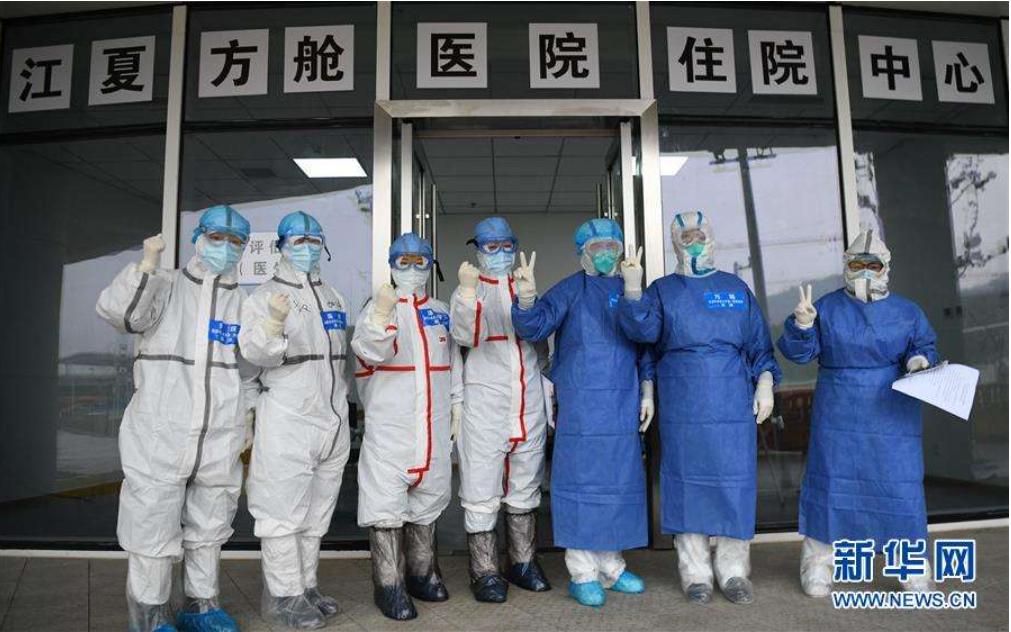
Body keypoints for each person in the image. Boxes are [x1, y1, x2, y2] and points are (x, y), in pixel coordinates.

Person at [96, 205, 255, 632]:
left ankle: (202, 606)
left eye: (235, 241)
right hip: (161, 427)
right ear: (198, 238)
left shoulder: (241, 301)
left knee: (212, 519)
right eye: (217, 237)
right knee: (152, 519)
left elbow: (249, 368)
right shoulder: (165, 285)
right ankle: (150, 614)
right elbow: (120, 314)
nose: (225, 247)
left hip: (218, 431)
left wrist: (246, 415)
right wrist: (145, 267)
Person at [618, 211, 781, 606]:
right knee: (686, 485)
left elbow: (759, 346)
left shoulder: (735, 288)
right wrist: (634, 292)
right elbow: (643, 336)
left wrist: (764, 382)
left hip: (732, 404)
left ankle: (734, 571)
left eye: (699, 236)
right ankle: (695, 574)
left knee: (733, 485)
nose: (693, 243)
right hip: (683, 404)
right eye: (685, 238)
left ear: (711, 237)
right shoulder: (663, 291)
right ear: (675, 243)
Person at [777, 229, 938, 596]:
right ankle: (819, 565)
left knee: (899, 489)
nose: (864, 270)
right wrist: (803, 325)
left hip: (892, 413)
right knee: (831, 486)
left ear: (886, 267)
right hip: (839, 412)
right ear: (846, 265)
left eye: (872, 264)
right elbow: (799, 353)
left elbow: (923, 345)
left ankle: (912, 569)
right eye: (857, 263)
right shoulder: (826, 308)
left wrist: (918, 360)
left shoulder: (907, 312)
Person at [511, 218, 652, 608]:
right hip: (581, 407)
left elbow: (646, 339)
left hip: (621, 403)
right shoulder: (570, 290)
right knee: (581, 485)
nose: (605, 254)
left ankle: (612, 567)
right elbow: (535, 326)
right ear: (582, 252)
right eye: (597, 247)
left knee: (617, 484)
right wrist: (526, 300)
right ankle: (582, 572)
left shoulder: (630, 291)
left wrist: (647, 389)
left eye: (611, 247)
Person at [239, 211, 351, 629]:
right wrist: (272, 323)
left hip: (331, 419)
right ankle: (284, 596)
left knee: (316, 514)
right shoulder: (264, 296)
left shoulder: (334, 296)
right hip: (288, 417)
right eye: (298, 241)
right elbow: (252, 358)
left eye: (314, 240)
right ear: (281, 246)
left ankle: (307, 586)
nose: (307, 248)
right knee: (282, 512)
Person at [351, 233, 463, 620]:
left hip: (432, 426)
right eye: (404, 261)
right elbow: (371, 351)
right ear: (391, 265)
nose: (412, 269)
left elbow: (454, 363)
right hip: (391, 428)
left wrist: (457, 405)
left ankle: (422, 574)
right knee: (385, 507)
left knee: (428, 502)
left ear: (431, 265)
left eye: (421, 261)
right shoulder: (375, 310)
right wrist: (382, 315)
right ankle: (389, 585)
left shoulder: (440, 310)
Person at [450, 217, 551, 603]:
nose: (500, 254)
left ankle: (523, 563)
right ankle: (485, 571)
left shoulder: (526, 286)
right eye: (490, 247)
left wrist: (528, 301)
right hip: (485, 405)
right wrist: (467, 293)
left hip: (527, 403)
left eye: (506, 246)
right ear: (477, 250)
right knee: (481, 487)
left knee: (526, 481)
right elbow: (466, 336)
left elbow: (541, 346)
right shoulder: (468, 291)